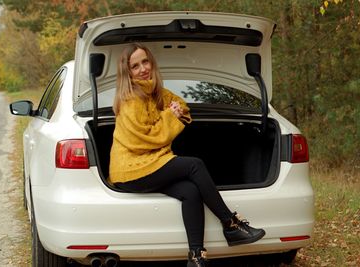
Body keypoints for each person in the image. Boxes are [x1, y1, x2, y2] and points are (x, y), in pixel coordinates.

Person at [108, 43, 265, 267]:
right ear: (127, 72)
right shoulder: (131, 99)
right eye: (135, 66)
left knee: (190, 191)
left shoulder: (153, 92)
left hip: (149, 165)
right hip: (130, 170)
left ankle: (196, 256)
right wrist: (169, 116)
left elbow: (180, 105)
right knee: (194, 165)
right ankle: (230, 224)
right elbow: (149, 138)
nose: (143, 68)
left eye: (145, 61)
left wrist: (173, 111)